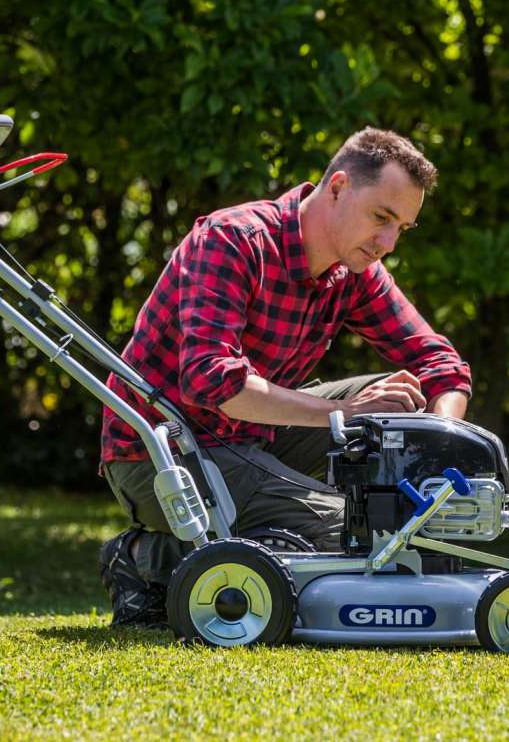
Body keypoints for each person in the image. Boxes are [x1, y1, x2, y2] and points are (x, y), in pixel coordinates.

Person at [96, 127, 472, 627]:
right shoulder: (233, 241)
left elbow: (440, 364)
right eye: (381, 217)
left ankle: (199, 553)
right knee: (364, 536)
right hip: (163, 453)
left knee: (400, 406)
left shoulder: (353, 271)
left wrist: (443, 439)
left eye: (401, 228)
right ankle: (146, 559)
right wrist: (347, 413)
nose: (387, 243)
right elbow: (213, 382)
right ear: (337, 188)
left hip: (252, 436)